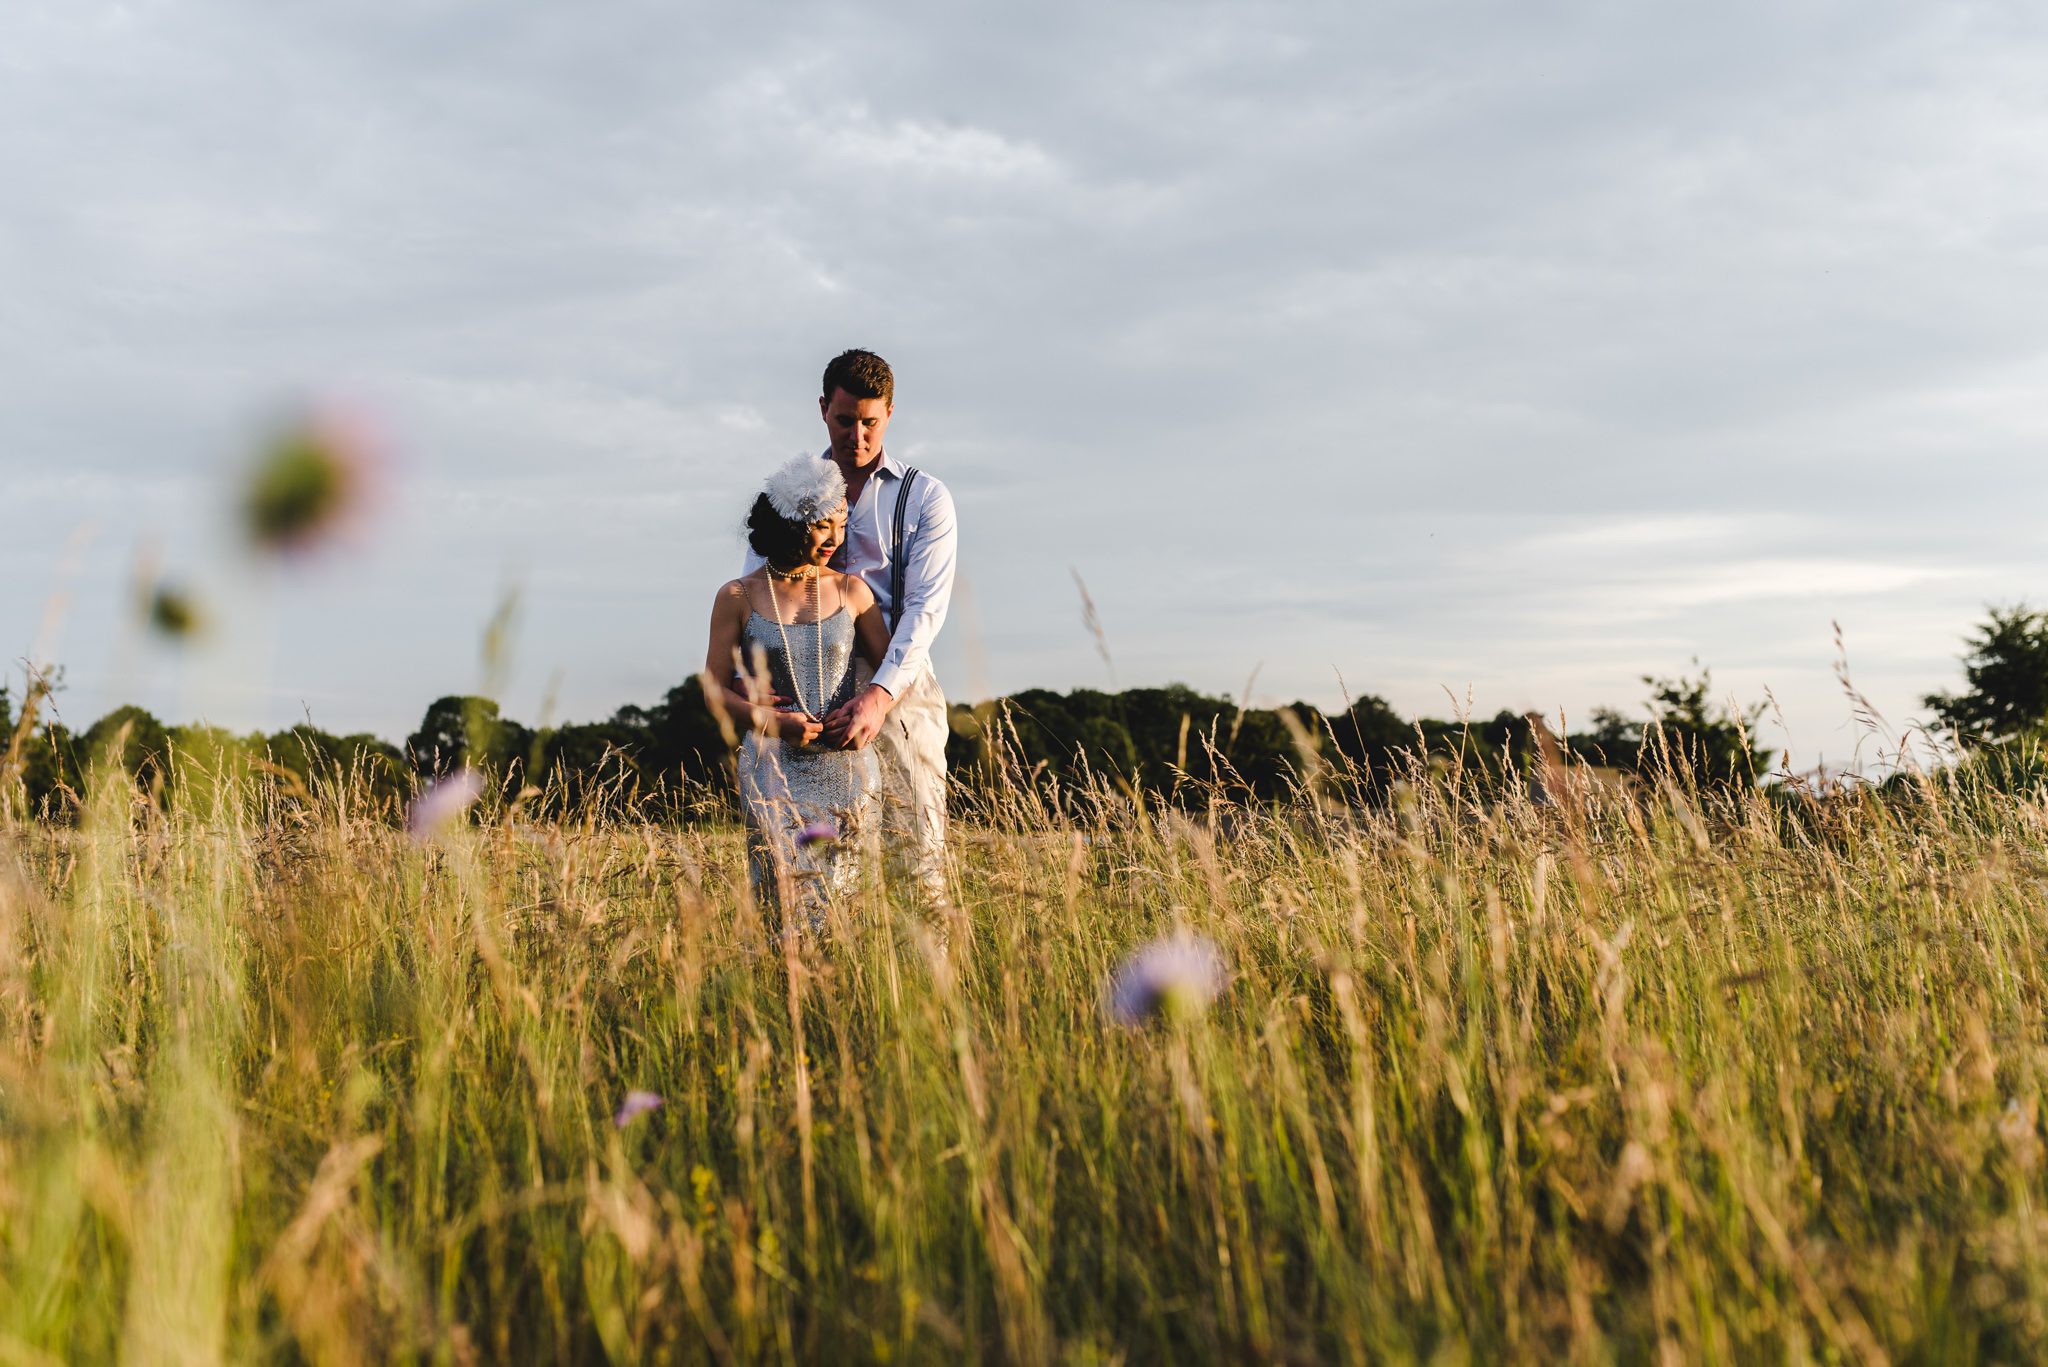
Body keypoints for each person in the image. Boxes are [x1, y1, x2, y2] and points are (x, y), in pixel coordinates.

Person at [741, 349, 959, 919]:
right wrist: (760, 694)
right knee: (810, 870)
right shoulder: (789, 494)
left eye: (871, 422)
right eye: (844, 421)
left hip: (897, 680)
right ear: (822, 410)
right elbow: (755, 585)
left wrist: (880, 696)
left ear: (889, 414)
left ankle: (923, 998)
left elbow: (924, 611)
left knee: (917, 862)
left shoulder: (925, 496)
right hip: (801, 681)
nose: (857, 437)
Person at [706, 456, 891, 928]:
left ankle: (844, 992)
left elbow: (893, 673)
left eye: (841, 525)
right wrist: (772, 722)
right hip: (772, 769)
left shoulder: (853, 591)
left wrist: (865, 711)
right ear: (790, 525)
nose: (835, 539)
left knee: (842, 903)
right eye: (821, 527)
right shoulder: (737, 596)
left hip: (847, 768)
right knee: (782, 900)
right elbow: (713, 688)